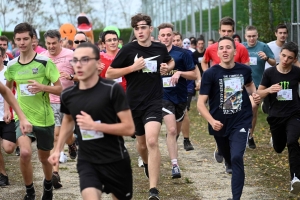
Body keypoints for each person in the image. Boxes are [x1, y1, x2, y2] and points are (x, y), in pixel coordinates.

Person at [48, 42, 134, 200]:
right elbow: (68, 120)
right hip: (88, 160)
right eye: (75, 60)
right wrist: (58, 149)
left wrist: (95, 126)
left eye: (85, 60)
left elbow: (129, 128)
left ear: (97, 63)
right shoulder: (68, 95)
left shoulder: (112, 90)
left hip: (115, 159)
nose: (78, 65)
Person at [106, 13, 174, 200]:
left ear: (151, 29)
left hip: (154, 101)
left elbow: (169, 60)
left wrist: (168, 67)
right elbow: (110, 73)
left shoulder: (159, 47)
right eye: (136, 28)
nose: (140, 31)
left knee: (152, 141)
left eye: (143, 27)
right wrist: (132, 68)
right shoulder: (128, 49)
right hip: (133, 103)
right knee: (142, 144)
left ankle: (153, 190)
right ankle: (145, 163)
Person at [197, 36, 260, 200]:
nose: (224, 50)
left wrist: (254, 95)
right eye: (221, 48)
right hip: (219, 123)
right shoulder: (210, 74)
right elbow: (200, 104)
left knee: (237, 156)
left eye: (228, 47)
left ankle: (236, 197)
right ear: (217, 52)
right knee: (228, 156)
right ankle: (227, 159)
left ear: (235, 51)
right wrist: (211, 121)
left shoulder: (244, 70)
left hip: (241, 119)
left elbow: (250, 85)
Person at [4, 22, 62, 200]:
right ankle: (29, 191)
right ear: (14, 41)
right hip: (22, 117)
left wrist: (43, 87)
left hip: (44, 118)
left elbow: (59, 89)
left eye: (25, 39)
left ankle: (47, 185)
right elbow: (7, 89)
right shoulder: (12, 65)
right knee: (26, 153)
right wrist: (8, 109)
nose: (22, 42)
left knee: (44, 158)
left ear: (32, 39)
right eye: (18, 39)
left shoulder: (45, 62)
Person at [201, 17, 250, 168]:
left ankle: (243, 139)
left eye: (229, 31)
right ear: (219, 31)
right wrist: (206, 78)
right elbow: (205, 61)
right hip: (218, 88)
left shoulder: (240, 48)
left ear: (234, 32)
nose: (227, 33)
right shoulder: (212, 48)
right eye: (224, 31)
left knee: (239, 116)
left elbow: (246, 67)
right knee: (219, 119)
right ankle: (222, 147)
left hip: (235, 88)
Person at [257, 42, 300, 196]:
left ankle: (296, 178)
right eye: (283, 55)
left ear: (294, 59)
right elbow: (257, 93)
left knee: (293, 141)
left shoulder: (296, 72)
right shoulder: (270, 74)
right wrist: (269, 90)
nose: (285, 59)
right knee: (279, 148)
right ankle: (275, 140)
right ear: (280, 54)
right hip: (275, 116)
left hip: (294, 114)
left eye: (290, 58)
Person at [158, 23, 196, 178]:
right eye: (163, 35)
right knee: (172, 130)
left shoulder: (183, 54)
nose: (166, 38)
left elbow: (194, 75)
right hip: (162, 96)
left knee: (175, 131)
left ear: (173, 36)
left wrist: (179, 73)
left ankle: (172, 142)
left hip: (180, 97)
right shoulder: (154, 54)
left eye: (169, 35)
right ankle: (175, 165)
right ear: (159, 36)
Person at [41, 29, 78, 189]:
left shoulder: (71, 55)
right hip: (49, 101)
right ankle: (55, 172)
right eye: (48, 43)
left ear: (60, 41)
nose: (51, 46)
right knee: (56, 135)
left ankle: (72, 143)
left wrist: (70, 77)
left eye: (54, 43)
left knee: (67, 134)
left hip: (68, 101)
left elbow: (84, 75)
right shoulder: (42, 58)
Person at [0, 46, 32, 186]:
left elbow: (11, 92)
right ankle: (3, 174)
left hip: (8, 116)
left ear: (3, 57)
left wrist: (11, 111)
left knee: (8, 148)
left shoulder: (9, 71)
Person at [242, 25, 275, 149]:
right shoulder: (241, 47)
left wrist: (266, 58)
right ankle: (243, 135)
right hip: (242, 84)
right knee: (243, 110)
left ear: (257, 35)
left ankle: (250, 135)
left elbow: (274, 62)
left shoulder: (263, 46)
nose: (251, 39)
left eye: (254, 36)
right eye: (249, 36)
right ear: (245, 36)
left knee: (253, 108)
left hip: (257, 85)